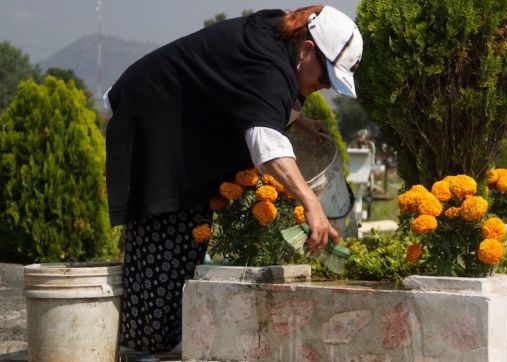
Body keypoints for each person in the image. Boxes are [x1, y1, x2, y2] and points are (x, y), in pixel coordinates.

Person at [103, 5, 362, 355]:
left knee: (184, 241)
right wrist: (311, 202)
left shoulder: (277, 33)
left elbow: (250, 90)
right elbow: (265, 144)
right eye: (325, 78)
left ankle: (154, 340)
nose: (324, 87)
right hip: (154, 122)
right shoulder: (269, 64)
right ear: (307, 49)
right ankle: (145, 347)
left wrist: (299, 120)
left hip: (174, 124)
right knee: (165, 235)